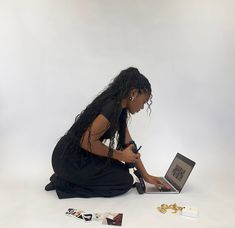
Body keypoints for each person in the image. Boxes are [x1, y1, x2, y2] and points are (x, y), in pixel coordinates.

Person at [45, 67, 168, 198]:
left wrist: (146, 175)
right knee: (125, 182)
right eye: (143, 101)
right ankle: (64, 183)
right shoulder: (111, 108)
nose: (143, 107)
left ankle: (69, 179)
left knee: (122, 170)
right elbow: (87, 142)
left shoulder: (121, 109)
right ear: (133, 93)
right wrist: (121, 156)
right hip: (69, 159)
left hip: (79, 156)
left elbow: (129, 145)